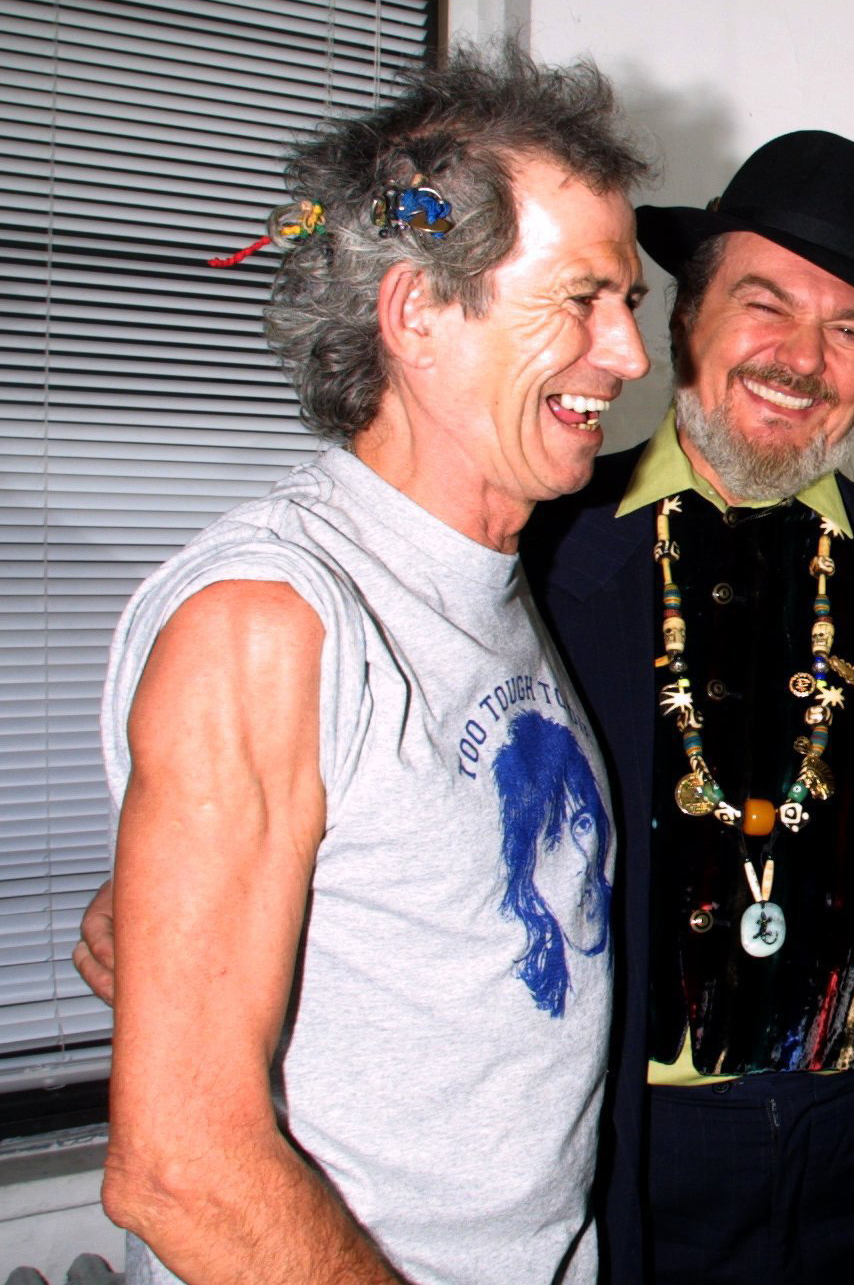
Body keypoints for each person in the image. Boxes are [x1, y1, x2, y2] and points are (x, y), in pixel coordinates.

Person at [91, 47, 651, 1284]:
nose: (626, 355)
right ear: (417, 316)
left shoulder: (485, 573)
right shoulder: (265, 618)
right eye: (580, 299)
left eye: (632, 304)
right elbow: (179, 1163)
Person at [522, 131, 854, 1283]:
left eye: (850, 331)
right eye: (765, 305)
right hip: (634, 1145)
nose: (804, 359)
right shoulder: (537, 544)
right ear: (685, 319)